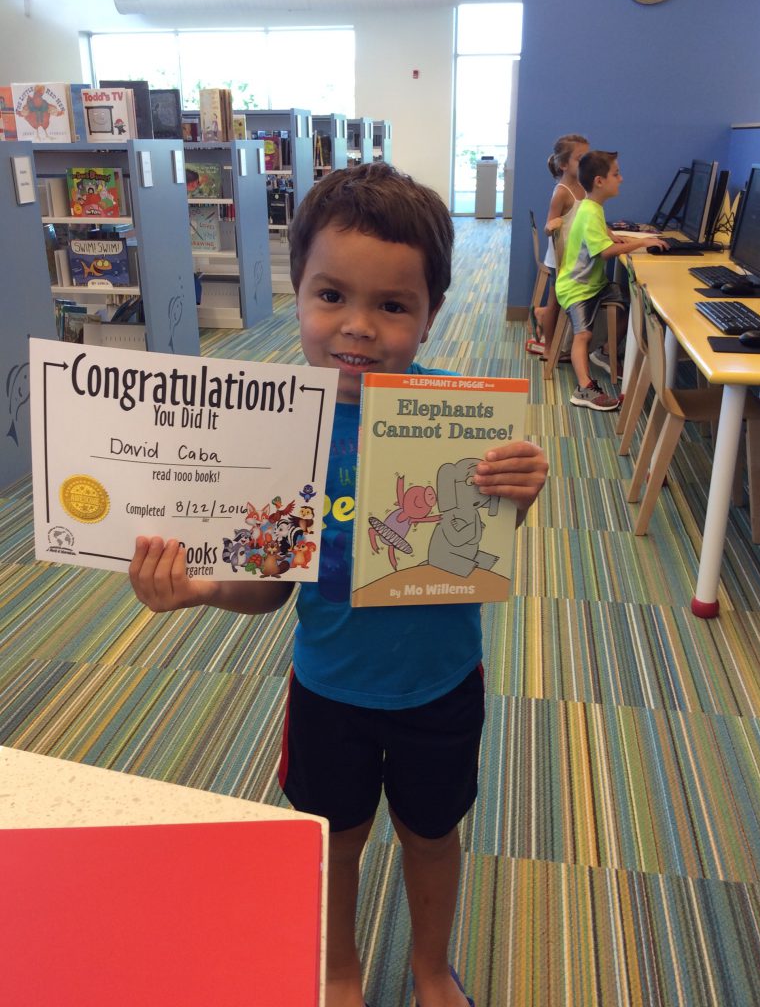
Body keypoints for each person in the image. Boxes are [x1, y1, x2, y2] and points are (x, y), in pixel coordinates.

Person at [129, 162, 549, 1007]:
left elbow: (474, 550)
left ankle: (431, 968)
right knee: (336, 840)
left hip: (439, 685)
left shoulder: (457, 420)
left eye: (392, 306)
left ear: (429, 318)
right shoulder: (277, 435)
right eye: (331, 296)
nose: (357, 327)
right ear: (298, 293)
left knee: (433, 837)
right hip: (328, 691)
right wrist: (204, 588)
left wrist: (520, 492)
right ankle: (339, 966)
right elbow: (268, 587)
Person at [555, 150, 667, 411]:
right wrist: (640, 242)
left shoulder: (591, 207)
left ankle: (605, 351)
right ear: (599, 181)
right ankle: (584, 388)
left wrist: (616, 237)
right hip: (577, 287)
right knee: (583, 334)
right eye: (616, 174)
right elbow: (604, 252)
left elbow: (600, 235)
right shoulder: (590, 211)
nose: (622, 179)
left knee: (628, 305)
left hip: (596, 285)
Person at [527, 133, 589, 359]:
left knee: (562, 302)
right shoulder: (562, 192)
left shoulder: (585, 186)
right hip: (560, 260)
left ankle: (543, 317)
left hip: (578, 258)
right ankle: (549, 348)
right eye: (581, 159)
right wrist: (551, 226)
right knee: (556, 303)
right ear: (563, 164)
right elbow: (548, 226)